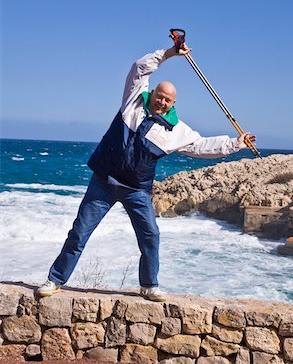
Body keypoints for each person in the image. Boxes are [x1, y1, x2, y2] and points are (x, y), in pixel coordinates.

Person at [37, 44, 256, 301]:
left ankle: (149, 286)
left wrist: (235, 143)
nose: (162, 101)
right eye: (159, 96)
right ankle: (55, 280)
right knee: (79, 233)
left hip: (136, 191)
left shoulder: (176, 131)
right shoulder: (133, 102)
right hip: (104, 182)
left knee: (150, 236)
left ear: (173, 103)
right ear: (152, 93)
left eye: (168, 99)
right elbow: (138, 69)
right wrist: (168, 54)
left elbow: (202, 146)